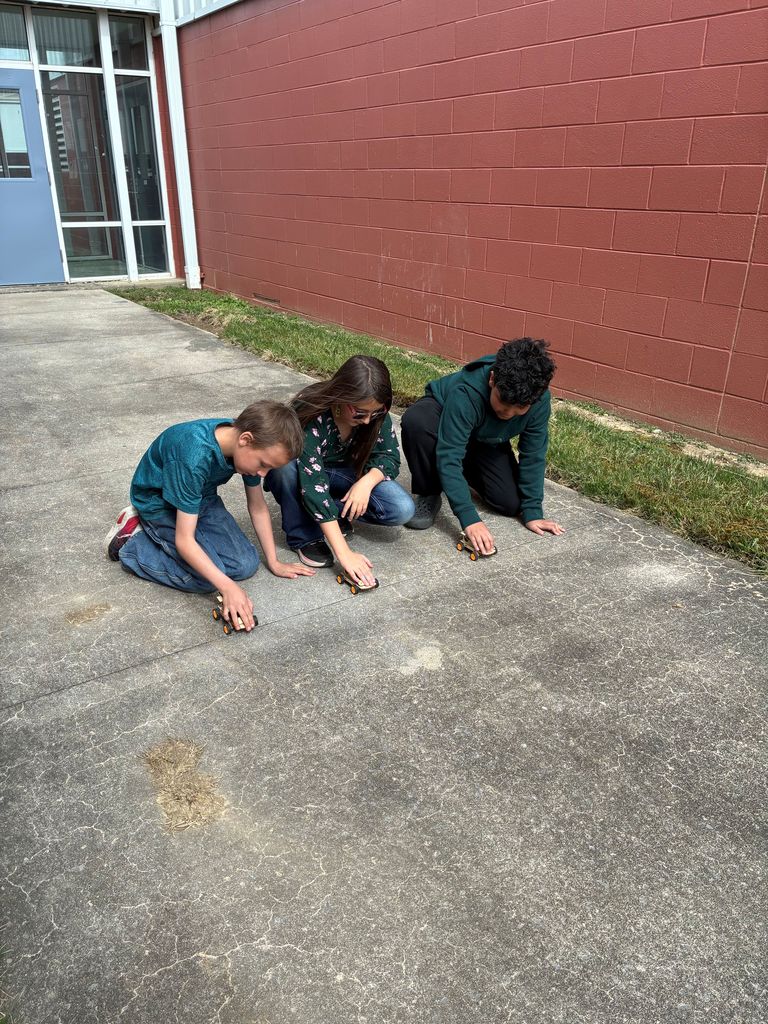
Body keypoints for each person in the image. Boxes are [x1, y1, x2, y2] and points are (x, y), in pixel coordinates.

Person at [105, 400, 314, 631]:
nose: (263, 474)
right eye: (263, 465)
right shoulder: (194, 456)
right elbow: (185, 541)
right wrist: (228, 588)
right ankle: (133, 543)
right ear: (245, 439)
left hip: (200, 498)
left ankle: (164, 542)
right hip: (160, 504)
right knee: (207, 579)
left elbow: (257, 506)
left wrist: (274, 562)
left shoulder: (248, 447)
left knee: (246, 564)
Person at [401, 337, 564, 554]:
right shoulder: (466, 393)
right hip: (441, 418)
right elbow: (449, 456)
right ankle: (429, 490)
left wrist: (533, 511)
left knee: (511, 504)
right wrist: (469, 518)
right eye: (503, 402)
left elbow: (533, 455)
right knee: (417, 422)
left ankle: (462, 473)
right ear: (492, 379)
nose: (508, 414)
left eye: (519, 408)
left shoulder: (538, 400)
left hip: (484, 438)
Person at [264, 355, 415, 588]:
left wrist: (366, 483)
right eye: (359, 413)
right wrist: (344, 553)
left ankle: (329, 516)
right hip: (304, 474)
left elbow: (389, 456)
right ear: (342, 396)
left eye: (375, 413)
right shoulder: (310, 410)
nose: (366, 421)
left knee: (402, 508)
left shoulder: (374, 411)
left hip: (347, 476)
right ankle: (305, 536)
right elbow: (313, 483)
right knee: (284, 468)